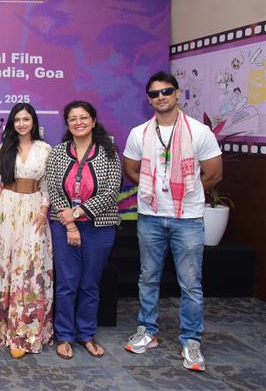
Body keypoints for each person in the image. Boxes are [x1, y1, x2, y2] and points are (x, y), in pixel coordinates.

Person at [123, 71, 222, 372]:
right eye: (154, 93)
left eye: (166, 91)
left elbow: (214, 174)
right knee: (148, 277)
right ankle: (146, 331)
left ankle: (191, 341)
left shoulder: (199, 132)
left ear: (178, 93)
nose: (161, 97)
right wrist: (155, 190)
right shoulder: (139, 133)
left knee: (190, 283)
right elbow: (131, 170)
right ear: (149, 99)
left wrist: (185, 193)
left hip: (188, 219)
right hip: (151, 217)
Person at [46, 100, 121, 359]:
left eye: (83, 117)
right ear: (67, 124)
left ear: (93, 120)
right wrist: (69, 223)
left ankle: (86, 334)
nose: (78, 122)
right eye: (73, 119)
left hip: (99, 228)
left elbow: (112, 192)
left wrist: (78, 213)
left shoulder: (109, 152)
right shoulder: (57, 153)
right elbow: (54, 190)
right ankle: (64, 335)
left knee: (90, 284)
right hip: (63, 227)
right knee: (67, 283)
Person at [0, 103, 53, 358]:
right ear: (12, 123)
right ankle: (2, 328)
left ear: (33, 121)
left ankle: (25, 332)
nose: (22, 123)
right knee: (5, 266)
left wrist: (43, 211)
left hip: (34, 210)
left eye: (26, 119)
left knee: (29, 269)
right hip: (6, 210)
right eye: (17, 120)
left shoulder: (46, 150)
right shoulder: (3, 149)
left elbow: (48, 187)